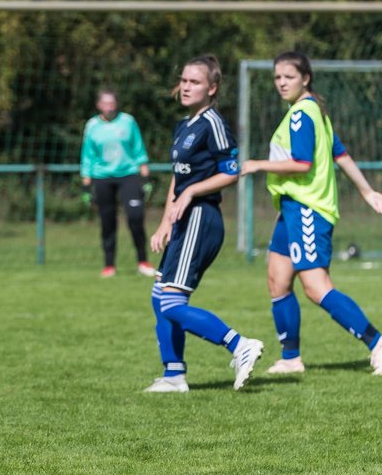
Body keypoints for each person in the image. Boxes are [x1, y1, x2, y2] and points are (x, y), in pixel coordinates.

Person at [240, 51, 382, 376]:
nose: (281, 83)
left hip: (308, 209)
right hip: (290, 208)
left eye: (288, 77)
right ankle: (291, 357)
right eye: (277, 77)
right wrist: (368, 192)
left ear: (305, 78)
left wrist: (258, 164)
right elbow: (341, 154)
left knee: (317, 287)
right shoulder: (312, 110)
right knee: (277, 280)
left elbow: (302, 164)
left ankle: (377, 343)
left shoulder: (302, 114)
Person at [145, 55, 265, 393]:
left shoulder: (213, 122)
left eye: (194, 82)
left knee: (171, 302)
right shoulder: (184, 125)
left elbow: (231, 171)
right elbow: (177, 179)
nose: (185, 87)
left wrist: (192, 193)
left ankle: (240, 345)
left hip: (201, 217)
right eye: (183, 80)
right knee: (159, 298)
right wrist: (165, 220)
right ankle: (173, 375)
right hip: (183, 219)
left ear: (212, 88)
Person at [80, 89, 155, 278]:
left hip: (128, 174)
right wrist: (86, 184)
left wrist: (145, 177)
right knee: (107, 222)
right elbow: (87, 155)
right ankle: (109, 265)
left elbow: (138, 149)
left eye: (112, 102)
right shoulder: (92, 125)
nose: (109, 106)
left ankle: (143, 261)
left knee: (135, 217)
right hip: (102, 177)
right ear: (99, 105)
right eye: (105, 103)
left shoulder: (128, 121)